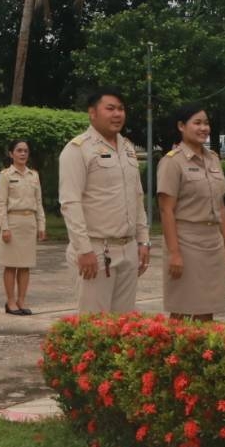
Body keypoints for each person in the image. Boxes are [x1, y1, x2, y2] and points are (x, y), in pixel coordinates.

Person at [58, 89, 150, 314]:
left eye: (121, 109)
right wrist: (84, 250)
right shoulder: (78, 149)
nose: (117, 114)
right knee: (95, 324)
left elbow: (137, 197)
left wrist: (143, 241)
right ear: (92, 113)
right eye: (110, 108)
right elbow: (70, 203)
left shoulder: (128, 148)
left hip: (128, 248)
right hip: (96, 250)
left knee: (125, 324)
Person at [156, 105, 225, 320]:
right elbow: (166, 209)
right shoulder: (172, 162)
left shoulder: (213, 159)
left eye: (206, 123)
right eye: (197, 123)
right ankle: (175, 343)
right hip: (186, 241)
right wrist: (174, 253)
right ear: (181, 126)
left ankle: (204, 343)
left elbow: (220, 205)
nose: (203, 128)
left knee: (207, 308)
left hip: (212, 242)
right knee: (182, 307)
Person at [0, 139, 47, 315]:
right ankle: (10, 302)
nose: (23, 153)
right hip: (13, 222)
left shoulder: (34, 175)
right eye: (19, 150)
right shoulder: (5, 175)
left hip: (29, 222)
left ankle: (21, 300)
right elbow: (1, 203)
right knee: (10, 265)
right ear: (11, 154)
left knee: (25, 265)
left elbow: (38, 202)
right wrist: (5, 227)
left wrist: (41, 224)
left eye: (25, 150)